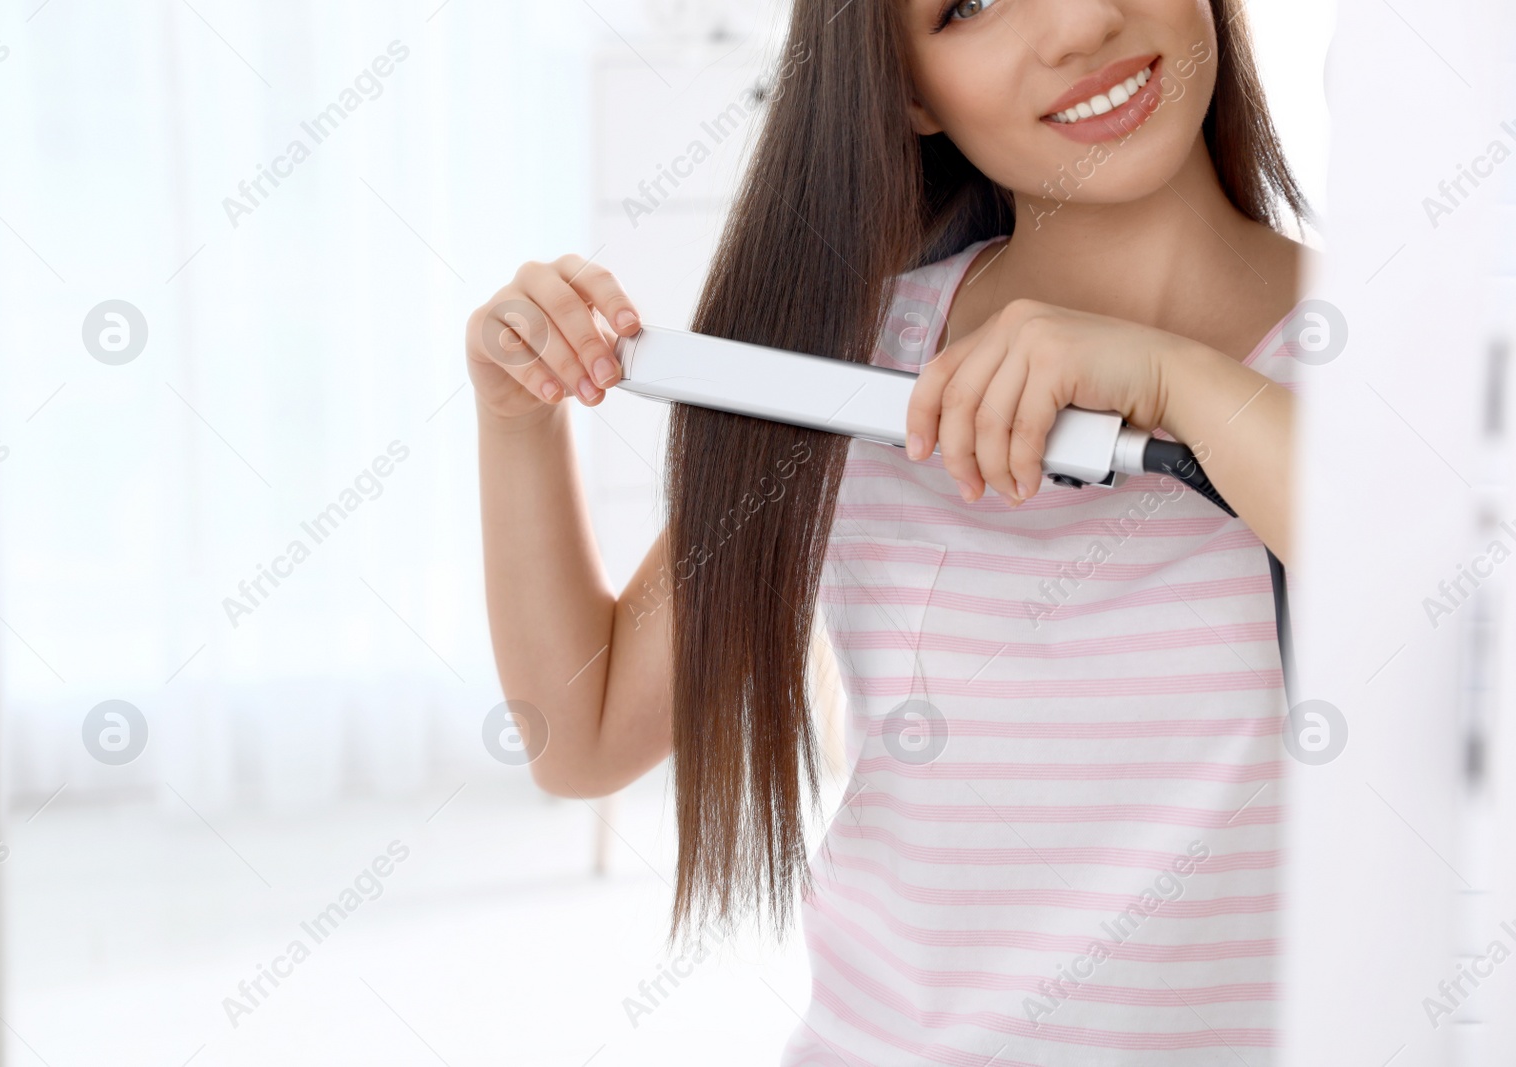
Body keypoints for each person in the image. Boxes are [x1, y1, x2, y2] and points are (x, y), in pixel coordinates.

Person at [470, 0, 1308, 1060]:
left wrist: (1171, 377)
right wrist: (516, 421)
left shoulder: (1383, 346)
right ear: (906, 89)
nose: (1078, 25)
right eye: (967, 6)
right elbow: (581, 736)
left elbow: (1436, 581)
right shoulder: (861, 361)